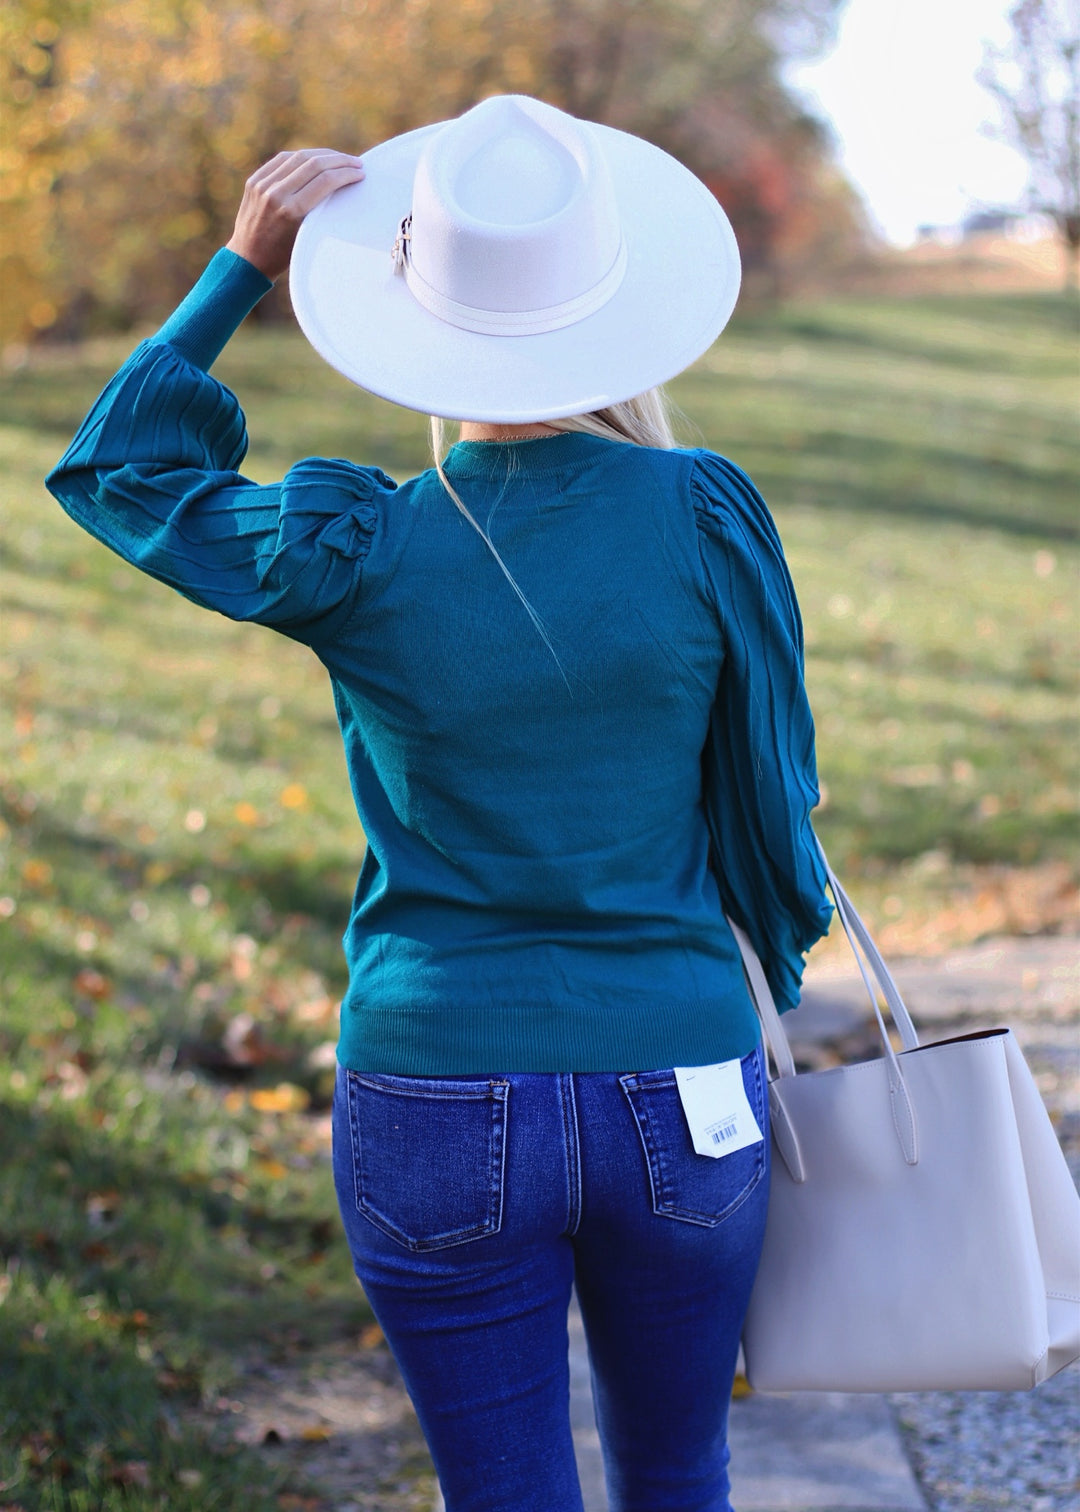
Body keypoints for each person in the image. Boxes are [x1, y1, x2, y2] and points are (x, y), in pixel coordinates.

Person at [46, 94, 832, 1512]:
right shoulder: (705, 514)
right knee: (680, 1471)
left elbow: (115, 472)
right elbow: (775, 809)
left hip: (434, 1088)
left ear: (416, 299)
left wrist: (246, 261)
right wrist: (758, 992)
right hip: (684, 1077)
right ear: (614, 289)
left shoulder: (359, 545)